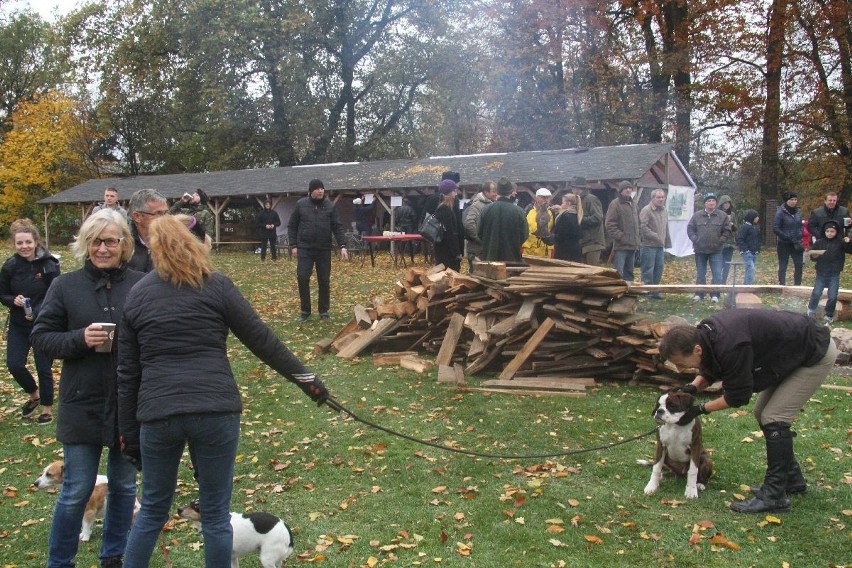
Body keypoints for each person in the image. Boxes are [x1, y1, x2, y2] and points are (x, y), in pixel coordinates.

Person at [116, 215, 330, 568]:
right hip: (215, 411)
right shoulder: (216, 285)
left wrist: (128, 434)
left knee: (152, 510)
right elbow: (262, 340)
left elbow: (127, 373)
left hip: (158, 414)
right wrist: (307, 379)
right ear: (195, 243)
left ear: (154, 249)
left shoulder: (138, 294)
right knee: (215, 515)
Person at [31, 209, 144, 568]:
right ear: (85, 244)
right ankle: (60, 561)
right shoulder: (65, 286)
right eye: (96, 241)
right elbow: (42, 338)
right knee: (75, 490)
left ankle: (114, 555)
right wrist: (80, 338)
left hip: (129, 403)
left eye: (111, 240)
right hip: (82, 403)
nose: (103, 248)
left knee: (124, 486)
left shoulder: (142, 283)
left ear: (124, 244)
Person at [659, 309, 836, 514]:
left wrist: (699, 409)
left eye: (681, 363)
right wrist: (692, 387)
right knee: (762, 412)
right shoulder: (705, 335)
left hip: (814, 352)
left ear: (696, 349)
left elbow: (737, 396)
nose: (680, 368)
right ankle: (792, 479)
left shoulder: (732, 345)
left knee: (774, 417)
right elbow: (712, 367)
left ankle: (775, 496)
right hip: (792, 352)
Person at [0, 219, 60, 423]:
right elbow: (2, 294)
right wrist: (12, 300)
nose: (24, 247)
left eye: (28, 242)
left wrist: (41, 312)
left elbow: (56, 294)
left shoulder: (49, 264)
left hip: (43, 325)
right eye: (19, 243)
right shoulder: (10, 265)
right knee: (15, 365)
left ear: (36, 242)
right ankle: (34, 395)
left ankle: (47, 409)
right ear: (14, 244)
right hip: (19, 324)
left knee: (44, 368)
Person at [287, 179, 348, 322]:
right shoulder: (301, 205)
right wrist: (293, 245)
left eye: (322, 188)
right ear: (311, 191)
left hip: (323, 249)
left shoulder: (330, 206)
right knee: (302, 278)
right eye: (317, 188)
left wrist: (343, 246)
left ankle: (324, 311)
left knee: (324, 280)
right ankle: (305, 311)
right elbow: (292, 225)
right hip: (305, 249)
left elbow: (337, 226)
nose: (321, 191)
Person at [686, 192, 732, 302]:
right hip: (700, 250)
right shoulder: (697, 215)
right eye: (708, 201)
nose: (711, 203)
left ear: (716, 203)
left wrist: (721, 241)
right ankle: (699, 294)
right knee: (701, 273)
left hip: (716, 250)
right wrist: (695, 239)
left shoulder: (722, 216)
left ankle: (715, 295)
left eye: (713, 201)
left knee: (717, 274)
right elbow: (690, 228)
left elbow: (727, 230)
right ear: (704, 204)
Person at [806, 219, 852, 324]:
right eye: (828, 231)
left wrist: (848, 242)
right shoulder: (819, 242)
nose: (830, 233)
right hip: (821, 272)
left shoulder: (840, 242)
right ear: (824, 231)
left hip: (834, 273)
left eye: (832, 231)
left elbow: (850, 250)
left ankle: (829, 314)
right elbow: (813, 257)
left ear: (836, 232)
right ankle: (811, 309)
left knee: (832, 296)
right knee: (817, 292)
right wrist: (813, 255)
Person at [477, 177, 528, 263]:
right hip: (512, 259)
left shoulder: (486, 210)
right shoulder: (519, 212)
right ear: (511, 191)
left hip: (490, 259)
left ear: (497, 192)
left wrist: (489, 243)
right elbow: (524, 235)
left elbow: (479, 233)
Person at [605, 180, 640, 282]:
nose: (628, 190)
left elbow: (638, 223)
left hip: (633, 245)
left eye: (630, 188)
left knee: (629, 273)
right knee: (618, 273)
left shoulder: (634, 204)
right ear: (620, 191)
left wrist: (639, 238)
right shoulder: (615, 204)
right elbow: (609, 224)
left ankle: (629, 294)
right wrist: (622, 237)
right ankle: (616, 293)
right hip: (621, 247)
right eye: (626, 188)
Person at [638, 188, 670, 298]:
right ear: (653, 198)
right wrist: (655, 236)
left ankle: (655, 291)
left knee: (659, 269)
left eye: (662, 197)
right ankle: (646, 292)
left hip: (659, 246)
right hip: (648, 245)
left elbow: (665, 227)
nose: (661, 199)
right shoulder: (646, 210)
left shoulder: (664, 210)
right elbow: (643, 227)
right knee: (648, 270)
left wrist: (666, 241)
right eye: (658, 197)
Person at [127, 189, 168, 273]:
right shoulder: (122, 245)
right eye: (158, 213)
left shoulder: (175, 243)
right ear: (137, 216)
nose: (165, 219)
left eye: (166, 213)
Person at [569, 176, 606, 265]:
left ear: (578, 188)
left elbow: (598, 218)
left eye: (573, 188)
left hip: (593, 242)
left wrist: (579, 220)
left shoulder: (591, 199)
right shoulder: (578, 200)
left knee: (592, 272)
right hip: (584, 242)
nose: (572, 190)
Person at [463, 180, 498, 266]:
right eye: (493, 191)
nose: (496, 194)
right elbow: (469, 224)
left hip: (484, 249)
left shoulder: (491, 204)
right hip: (476, 250)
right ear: (486, 192)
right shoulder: (476, 205)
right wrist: (480, 240)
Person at [773, 191, 804, 286]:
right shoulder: (780, 212)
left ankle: (797, 286)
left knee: (799, 265)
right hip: (784, 243)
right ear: (786, 201)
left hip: (796, 242)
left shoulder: (798, 212)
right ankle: (782, 285)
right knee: (783, 265)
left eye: (795, 199)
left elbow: (800, 225)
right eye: (791, 199)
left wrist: (800, 233)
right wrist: (785, 237)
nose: (794, 201)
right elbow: (776, 228)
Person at [431, 179, 463, 271]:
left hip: (446, 251)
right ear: (449, 192)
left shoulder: (446, 207)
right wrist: (456, 253)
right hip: (447, 253)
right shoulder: (445, 209)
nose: (456, 194)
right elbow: (450, 233)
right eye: (454, 191)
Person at [522, 188, 556, 257]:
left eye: (548, 198)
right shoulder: (528, 210)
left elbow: (555, 230)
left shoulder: (552, 212)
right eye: (543, 198)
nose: (546, 200)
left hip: (545, 250)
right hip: (529, 250)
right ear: (537, 198)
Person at [552, 193, 583, 262]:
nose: (561, 204)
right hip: (575, 250)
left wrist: (549, 237)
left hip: (564, 251)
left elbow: (560, 235)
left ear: (568, 203)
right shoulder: (577, 215)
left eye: (562, 202)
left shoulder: (565, 217)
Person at [736, 209, 761, 285]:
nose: (758, 218)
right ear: (751, 217)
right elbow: (740, 239)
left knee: (749, 268)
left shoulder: (755, 228)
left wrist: (757, 249)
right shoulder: (744, 227)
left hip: (754, 252)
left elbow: (757, 239)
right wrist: (745, 250)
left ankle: (746, 285)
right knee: (751, 268)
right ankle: (749, 286)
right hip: (747, 252)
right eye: (756, 217)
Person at [717, 195, 737, 283]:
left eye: (728, 203)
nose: (727, 205)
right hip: (720, 242)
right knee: (719, 265)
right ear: (721, 204)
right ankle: (716, 283)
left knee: (727, 265)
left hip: (730, 243)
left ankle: (723, 283)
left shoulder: (732, 214)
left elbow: (736, 229)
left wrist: (732, 225)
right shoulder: (717, 213)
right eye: (725, 203)